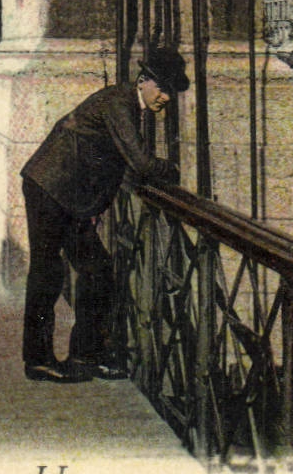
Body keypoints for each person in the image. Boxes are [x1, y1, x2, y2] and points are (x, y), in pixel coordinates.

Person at [18, 46, 188, 383]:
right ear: (144, 81)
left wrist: (92, 208)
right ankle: (38, 361)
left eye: (171, 91)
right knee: (47, 274)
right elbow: (139, 163)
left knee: (97, 270)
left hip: (67, 196)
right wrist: (172, 169)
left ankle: (86, 355)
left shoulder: (125, 104)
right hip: (49, 190)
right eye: (163, 88)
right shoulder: (120, 103)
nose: (167, 97)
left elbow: (109, 162)